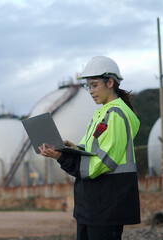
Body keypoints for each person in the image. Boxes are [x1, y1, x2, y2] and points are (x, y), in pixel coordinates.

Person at [39, 56, 141, 240]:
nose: (90, 91)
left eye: (94, 85)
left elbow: (100, 164)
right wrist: (70, 148)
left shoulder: (116, 115)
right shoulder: (101, 113)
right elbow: (91, 150)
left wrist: (61, 158)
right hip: (93, 205)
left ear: (110, 82)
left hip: (107, 204)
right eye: (88, 86)